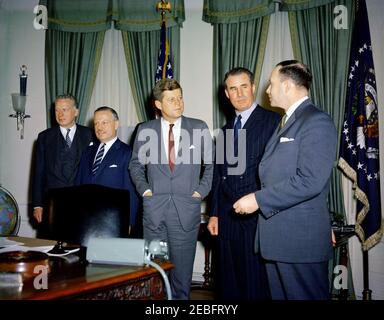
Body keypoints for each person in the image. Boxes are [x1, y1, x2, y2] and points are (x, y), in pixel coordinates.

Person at [233, 60, 337, 300]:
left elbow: (311, 180)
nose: (267, 90)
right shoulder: (288, 121)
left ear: (288, 86)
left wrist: (258, 199)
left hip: (299, 242)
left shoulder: (316, 121)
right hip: (280, 240)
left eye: (271, 84)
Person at [129, 79, 214, 300]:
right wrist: (146, 192)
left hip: (186, 212)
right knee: (155, 276)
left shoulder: (199, 127)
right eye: (171, 99)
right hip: (154, 214)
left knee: (181, 279)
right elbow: (136, 165)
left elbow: (212, 165)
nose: (178, 103)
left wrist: (199, 193)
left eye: (180, 97)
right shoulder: (145, 129)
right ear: (158, 104)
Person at [207, 67, 280, 300]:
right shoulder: (225, 131)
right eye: (233, 89)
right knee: (229, 287)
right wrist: (215, 214)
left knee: (255, 287)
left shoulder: (274, 122)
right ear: (227, 94)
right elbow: (219, 176)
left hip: (257, 219)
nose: (239, 94)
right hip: (227, 220)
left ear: (253, 87)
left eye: (244, 87)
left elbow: (280, 173)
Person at [32, 94, 93, 228]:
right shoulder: (44, 137)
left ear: (76, 111)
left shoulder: (90, 135)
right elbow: (38, 172)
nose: (60, 114)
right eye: (56, 110)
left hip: (83, 202)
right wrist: (37, 204)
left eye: (64, 109)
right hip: (53, 203)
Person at [75, 106, 139, 231]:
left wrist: (129, 221)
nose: (99, 127)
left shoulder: (127, 153)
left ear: (116, 124)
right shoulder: (87, 152)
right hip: (85, 220)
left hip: (113, 221)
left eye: (104, 122)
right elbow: (78, 185)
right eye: (96, 123)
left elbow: (131, 192)